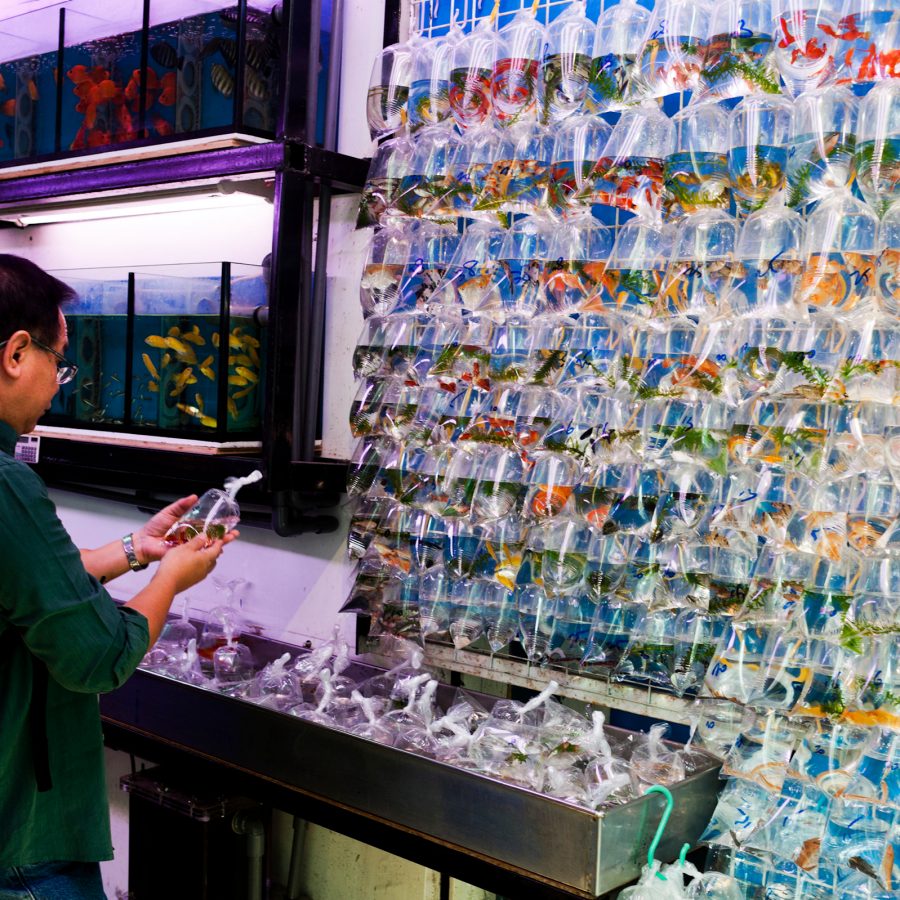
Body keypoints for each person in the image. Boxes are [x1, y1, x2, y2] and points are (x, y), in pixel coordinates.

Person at [0, 255, 237, 899]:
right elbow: (98, 657)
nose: (60, 384)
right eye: (58, 359)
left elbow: (20, 585)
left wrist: (134, 549)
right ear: (18, 353)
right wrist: (173, 580)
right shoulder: (6, 483)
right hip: (21, 837)